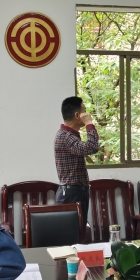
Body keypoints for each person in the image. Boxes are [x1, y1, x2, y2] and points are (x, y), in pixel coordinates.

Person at [54, 96, 99, 230]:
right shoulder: (67, 136)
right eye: (84, 111)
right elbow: (92, 147)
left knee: (77, 233)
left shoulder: (68, 135)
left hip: (74, 191)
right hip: (72, 193)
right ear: (77, 115)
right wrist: (89, 123)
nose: (87, 114)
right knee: (72, 235)